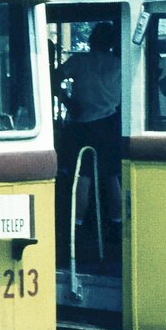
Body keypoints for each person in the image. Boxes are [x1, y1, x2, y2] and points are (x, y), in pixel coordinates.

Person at [58, 22, 122, 256]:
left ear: (92, 39)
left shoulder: (79, 61)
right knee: (111, 176)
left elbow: (56, 78)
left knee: (82, 177)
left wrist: (67, 101)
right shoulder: (119, 64)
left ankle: (76, 226)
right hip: (109, 123)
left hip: (82, 123)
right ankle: (116, 223)